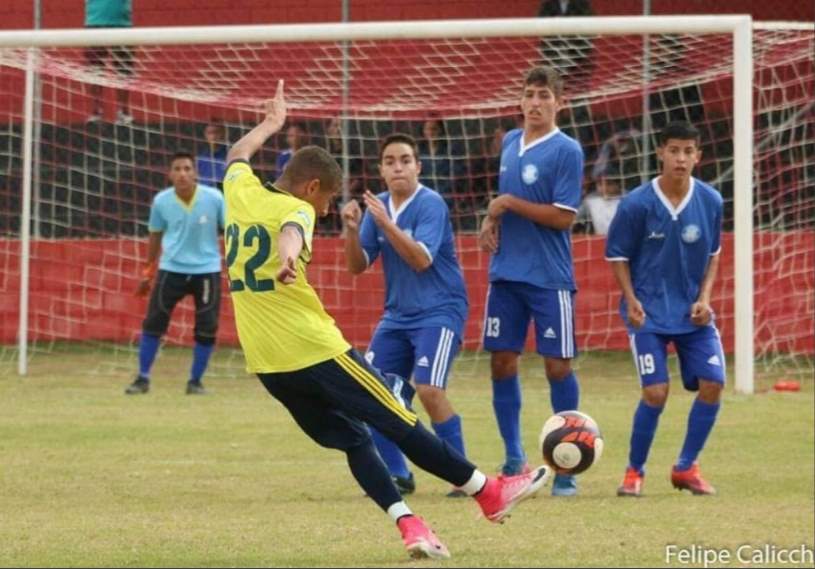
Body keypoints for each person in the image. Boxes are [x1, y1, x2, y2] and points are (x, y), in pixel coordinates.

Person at [223, 81, 551, 560]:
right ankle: (488, 492)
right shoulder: (295, 208)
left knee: (356, 438)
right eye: (326, 199)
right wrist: (289, 255)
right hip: (316, 350)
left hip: (268, 364)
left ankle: (410, 524)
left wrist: (269, 125)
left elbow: (237, 153)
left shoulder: (239, 190)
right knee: (400, 419)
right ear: (312, 187)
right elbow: (292, 231)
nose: (326, 209)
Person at [341, 133, 470, 498]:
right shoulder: (379, 207)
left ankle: (461, 474)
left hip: (440, 309)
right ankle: (398, 474)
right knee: (370, 391)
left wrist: (384, 224)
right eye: (390, 161)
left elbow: (420, 260)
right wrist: (351, 231)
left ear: (418, 166)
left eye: (405, 160)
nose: (398, 167)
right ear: (381, 169)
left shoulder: (431, 204)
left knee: (429, 388)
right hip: (397, 315)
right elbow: (357, 266)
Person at [479, 66, 585, 496]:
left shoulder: (567, 150)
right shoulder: (509, 142)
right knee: (501, 362)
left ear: (560, 102)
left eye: (544, 95)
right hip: (506, 274)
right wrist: (490, 217)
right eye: (529, 95)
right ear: (520, 102)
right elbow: (503, 206)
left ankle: (568, 464)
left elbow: (563, 217)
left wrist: (506, 203)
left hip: (548, 277)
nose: (536, 102)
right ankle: (512, 456)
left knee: (557, 365)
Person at [606, 121, 724, 497]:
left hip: (692, 314)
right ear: (660, 153)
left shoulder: (711, 201)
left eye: (688, 151)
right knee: (656, 393)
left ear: (698, 156)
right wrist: (631, 298)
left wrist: (705, 298)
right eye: (674, 150)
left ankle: (686, 467)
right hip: (649, 314)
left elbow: (713, 255)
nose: (681, 158)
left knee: (714, 384)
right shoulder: (636, 203)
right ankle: (633, 472)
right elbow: (618, 256)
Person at [125, 151, 225, 395]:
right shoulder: (162, 201)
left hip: (207, 271)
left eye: (187, 169)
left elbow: (229, 229)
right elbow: (155, 235)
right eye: (178, 169)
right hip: (172, 269)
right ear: (170, 174)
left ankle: (195, 382)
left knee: (207, 326)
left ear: (195, 173)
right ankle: (142, 378)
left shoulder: (214, 198)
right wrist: (147, 271)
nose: (183, 174)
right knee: (154, 322)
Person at [85, 0, 134, 125]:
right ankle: (96, 112)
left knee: (123, 69)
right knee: (95, 69)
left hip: (122, 24)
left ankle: (123, 112)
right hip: (95, 23)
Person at [537, 0, 594, 90]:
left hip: (578, 57)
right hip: (553, 55)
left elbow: (590, 28)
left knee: (579, 95)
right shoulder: (547, 4)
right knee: (552, 91)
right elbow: (540, 26)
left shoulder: (582, 4)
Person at [574, 164, 624, 235]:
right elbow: (575, 219)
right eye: (600, 184)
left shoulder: (626, 199)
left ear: (618, 184)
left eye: (609, 184)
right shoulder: (591, 201)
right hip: (599, 240)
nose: (604, 188)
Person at [196, 120, 229, 190]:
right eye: (209, 133)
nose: (213, 136)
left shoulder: (230, 156)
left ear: (224, 133)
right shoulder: (200, 160)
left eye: (216, 132)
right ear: (205, 135)